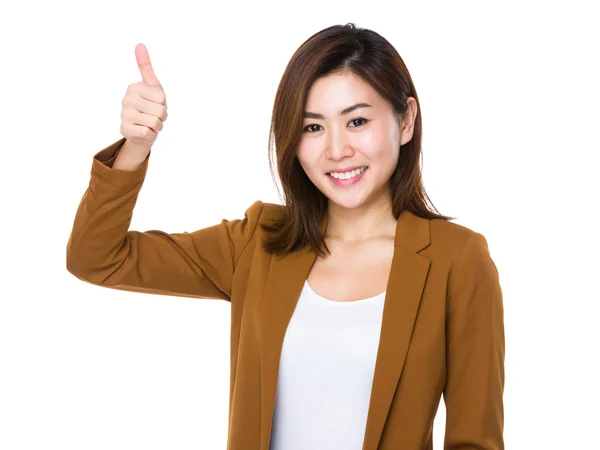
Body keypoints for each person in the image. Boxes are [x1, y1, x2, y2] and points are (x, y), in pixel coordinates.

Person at [66, 23, 505, 450]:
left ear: (405, 120)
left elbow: (475, 441)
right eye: (313, 127)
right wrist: (136, 147)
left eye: (356, 121)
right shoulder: (259, 243)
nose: (336, 150)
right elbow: (98, 257)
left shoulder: (458, 260)